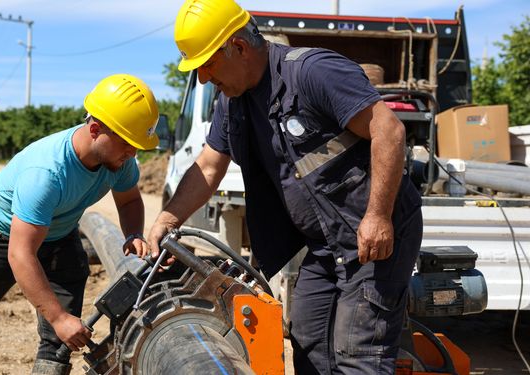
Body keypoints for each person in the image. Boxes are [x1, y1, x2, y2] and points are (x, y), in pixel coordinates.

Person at [141, 0, 424, 374]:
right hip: (328, 245)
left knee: (359, 353)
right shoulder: (232, 103)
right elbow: (209, 166)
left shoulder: (312, 72)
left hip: (373, 236)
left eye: (206, 65)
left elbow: (388, 130)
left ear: (238, 48)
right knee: (308, 341)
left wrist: (377, 216)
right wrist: (167, 216)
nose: (205, 79)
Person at [0, 74, 158, 375]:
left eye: (137, 146)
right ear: (95, 130)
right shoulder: (47, 174)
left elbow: (130, 200)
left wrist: (133, 233)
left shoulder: (119, 160)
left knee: (61, 339)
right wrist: (56, 317)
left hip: (58, 231)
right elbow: (20, 254)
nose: (133, 154)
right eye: (127, 144)